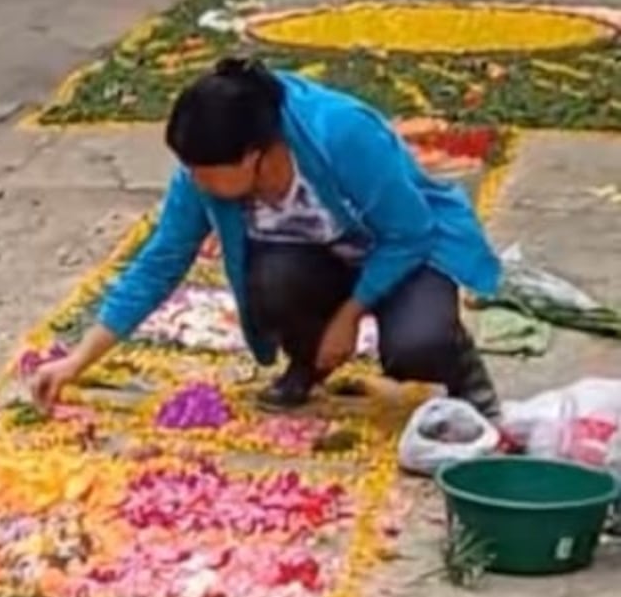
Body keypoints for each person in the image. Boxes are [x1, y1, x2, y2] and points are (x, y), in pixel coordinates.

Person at [27, 60, 501, 421]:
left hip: (407, 255)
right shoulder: (202, 174)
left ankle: (464, 373)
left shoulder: (342, 133)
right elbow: (160, 262)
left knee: (415, 345)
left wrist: (350, 314)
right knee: (271, 279)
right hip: (321, 265)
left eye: (207, 173)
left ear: (254, 156)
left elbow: (409, 233)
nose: (197, 182)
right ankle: (308, 363)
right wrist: (77, 361)